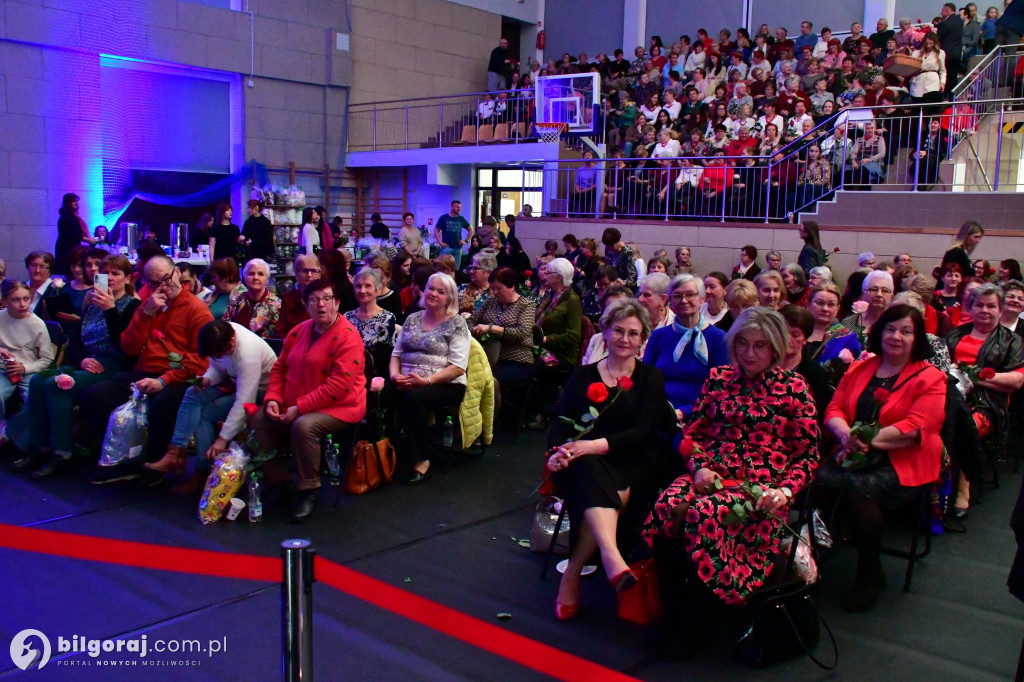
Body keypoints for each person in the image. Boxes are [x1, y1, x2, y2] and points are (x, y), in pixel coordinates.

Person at [642, 307, 818, 654]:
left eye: (760, 346)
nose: (750, 354)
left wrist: (784, 491)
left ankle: (700, 620)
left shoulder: (794, 387)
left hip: (761, 487)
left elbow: (808, 456)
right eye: (743, 345)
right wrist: (697, 468)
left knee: (704, 515)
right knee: (667, 506)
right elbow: (694, 436)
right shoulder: (719, 378)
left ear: (776, 348)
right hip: (711, 472)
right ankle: (674, 609)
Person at [546, 299, 672, 621]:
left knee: (590, 472)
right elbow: (561, 422)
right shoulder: (582, 375)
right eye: (619, 330)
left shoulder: (651, 378)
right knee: (587, 470)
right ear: (605, 330)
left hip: (633, 464)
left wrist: (590, 446)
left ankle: (572, 573)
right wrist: (558, 453)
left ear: (642, 338)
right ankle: (611, 555)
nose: (625, 339)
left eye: (633, 333)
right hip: (582, 463)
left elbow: (645, 431)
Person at [818, 305, 946, 611]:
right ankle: (810, 557)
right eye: (890, 329)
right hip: (852, 449)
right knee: (816, 483)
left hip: (905, 459)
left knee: (861, 492)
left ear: (917, 338)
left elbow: (915, 428)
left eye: (906, 331)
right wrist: (846, 436)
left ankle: (869, 572)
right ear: (880, 332)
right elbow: (834, 410)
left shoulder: (931, 378)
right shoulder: (860, 368)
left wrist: (866, 440)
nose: (896, 336)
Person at [81, 255, 214, 485]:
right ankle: (122, 459)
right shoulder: (149, 305)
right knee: (95, 395)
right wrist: (147, 313)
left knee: (162, 404)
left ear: (177, 274)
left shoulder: (197, 310)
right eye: (154, 283)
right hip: (145, 371)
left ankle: (154, 463)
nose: (163, 287)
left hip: (178, 377)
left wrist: (163, 380)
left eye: (166, 279)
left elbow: (200, 362)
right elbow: (129, 347)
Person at [9, 256, 139, 477]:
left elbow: (126, 345)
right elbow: (76, 342)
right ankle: (41, 446)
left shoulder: (132, 305)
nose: (110, 278)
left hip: (114, 364)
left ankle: (62, 452)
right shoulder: (94, 302)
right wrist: (82, 360)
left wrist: (110, 309)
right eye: (106, 274)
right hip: (88, 360)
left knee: (57, 385)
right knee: (39, 381)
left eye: (116, 274)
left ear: (127, 278)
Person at [252, 279, 366, 522]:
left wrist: (299, 408)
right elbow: (280, 368)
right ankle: (280, 482)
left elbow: (339, 387)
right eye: (314, 300)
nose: (321, 305)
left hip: (341, 405)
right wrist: (273, 397)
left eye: (327, 299)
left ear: (337, 303)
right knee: (259, 417)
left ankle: (308, 489)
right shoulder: (299, 330)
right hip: (296, 401)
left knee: (304, 426)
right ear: (306, 304)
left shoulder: (348, 337)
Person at [144, 320, 277, 494]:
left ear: (232, 341)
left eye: (223, 352)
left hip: (260, 392)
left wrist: (223, 439)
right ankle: (176, 451)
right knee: (193, 392)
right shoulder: (219, 335)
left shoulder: (247, 355)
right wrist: (208, 379)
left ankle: (201, 471)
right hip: (234, 383)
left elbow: (245, 401)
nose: (220, 356)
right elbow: (218, 367)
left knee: (204, 414)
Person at [944, 283, 1024, 527]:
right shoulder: (955, 334)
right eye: (979, 305)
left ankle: (961, 487)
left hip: (986, 404)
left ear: (1000, 311)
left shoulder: (1012, 341)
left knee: (962, 425)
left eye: (991, 306)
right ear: (971, 307)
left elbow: (1016, 380)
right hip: (948, 396)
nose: (985, 311)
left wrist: (974, 376)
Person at [390, 273, 470, 484]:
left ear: (450, 298)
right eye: (430, 288)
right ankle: (382, 451)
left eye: (440, 291)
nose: (433, 293)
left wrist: (426, 381)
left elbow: (458, 367)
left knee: (415, 399)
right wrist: (395, 376)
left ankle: (422, 459)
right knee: (379, 394)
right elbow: (396, 355)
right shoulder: (412, 318)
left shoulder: (457, 323)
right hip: (407, 379)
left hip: (446, 383)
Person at [643, 274, 729, 418]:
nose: (684, 300)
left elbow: (721, 389)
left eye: (690, 295)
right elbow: (645, 380)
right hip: (658, 412)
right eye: (677, 296)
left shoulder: (719, 339)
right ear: (670, 301)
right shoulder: (658, 336)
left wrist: (684, 412)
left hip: (702, 415)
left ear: (702, 299)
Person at [467, 267, 536, 391]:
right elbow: (471, 321)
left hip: (516, 360)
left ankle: (490, 410)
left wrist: (492, 329)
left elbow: (523, 334)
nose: (495, 292)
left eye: (499, 288)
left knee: (486, 380)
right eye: (492, 288)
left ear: (513, 286)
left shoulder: (526, 305)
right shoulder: (492, 301)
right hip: (486, 356)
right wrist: (475, 330)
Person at [0, 281, 55, 431]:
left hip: (29, 369)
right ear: (4, 301)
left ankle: (15, 433)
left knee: (34, 399)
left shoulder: (37, 324)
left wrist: (24, 368)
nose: (23, 304)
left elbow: (47, 359)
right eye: (16, 300)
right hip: (4, 368)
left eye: (26, 298)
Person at [779, 304, 835, 418]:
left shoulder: (816, 375)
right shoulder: (762, 366)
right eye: (783, 332)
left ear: (805, 339)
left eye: (795, 335)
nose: (787, 339)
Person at [344, 267, 398, 377]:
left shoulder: (387, 318)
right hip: (349, 371)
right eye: (358, 286)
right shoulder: (347, 317)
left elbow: (384, 357)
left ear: (378, 290)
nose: (362, 290)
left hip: (375, 374)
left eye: (368, 286)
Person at [222, 259, 280, 338]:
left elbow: (272, 335)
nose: (255, 277)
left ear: (267, 280)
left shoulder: (276, 304)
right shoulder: (236, 299)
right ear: (245, 278)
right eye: (251, 274)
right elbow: (225, 325)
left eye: (260, 274)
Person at [806, 284, 863, 364]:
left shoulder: (848, 337)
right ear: (808, 304)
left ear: (837, 308)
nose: (825, 309)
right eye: (820, 303)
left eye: (831, 304)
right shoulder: (796, 327)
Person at [275, 253, 320, 338]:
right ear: (296, 274)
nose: (309, 275)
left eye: (313, 271)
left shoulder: (325, 298)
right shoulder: (288, 298)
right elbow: (280, 330)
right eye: (305, 271)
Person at [842, 270, 895, 341]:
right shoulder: (850, 322)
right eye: (874, 289)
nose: (879, 294)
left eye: (885, 290)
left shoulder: (894, 324)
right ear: (863, 294)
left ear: (891, 297)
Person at [54, 193, 98, 276]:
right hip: (68, 249)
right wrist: (90, 240)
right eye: (73, 201)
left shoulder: (70, 216)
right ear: (68, 203)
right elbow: (75, 235)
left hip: (68, 247)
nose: (76, 203)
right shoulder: (69, 217)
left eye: (76, 201)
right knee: (70, 271)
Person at [435, 200, 473, 270]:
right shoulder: (444, 218)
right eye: (457, 207)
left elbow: (471, 230)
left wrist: (466, 241)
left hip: (458, 248)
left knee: (456, 270)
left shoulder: (461, 218)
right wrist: (440, 242)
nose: (459, 209)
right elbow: (436, 230)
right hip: (446, 248)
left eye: (460, 207)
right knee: (443, 268)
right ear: (452, 207)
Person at [458, 249, 497, 316]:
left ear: (488, 272)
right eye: (471, 268)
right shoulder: (462, 288)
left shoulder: (496, 294)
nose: (471, 271)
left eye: (475, 268)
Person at [24, 251, 59, 318]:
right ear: (28, 267)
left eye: (42, 267)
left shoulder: (55, 291)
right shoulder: (20, 288)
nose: (37, 270)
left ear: (50, 270)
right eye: (33, 265)